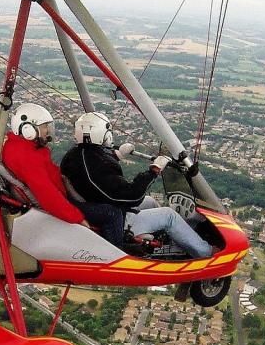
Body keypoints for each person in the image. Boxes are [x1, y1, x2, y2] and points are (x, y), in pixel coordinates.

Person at [61, 111, 213, 259]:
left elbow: (95, 178)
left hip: (95, 206)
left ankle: (173, 244)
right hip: (115, 218)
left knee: (151, 202)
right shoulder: (94, 164)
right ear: (102, 134)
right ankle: (207, 253)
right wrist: (153, 171)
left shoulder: (76, 155)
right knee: (169, 216)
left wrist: (117, 155)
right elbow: (132, 197)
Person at [0, 102, 91, 230]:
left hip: (62, 198)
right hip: (63, 205)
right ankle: (114, 249)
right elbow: (47, 194)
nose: (47, 130)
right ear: (28, 129)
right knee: (111, 213)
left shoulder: (17, 146)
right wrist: (78, 218)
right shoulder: (26, 156)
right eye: (44, 126)